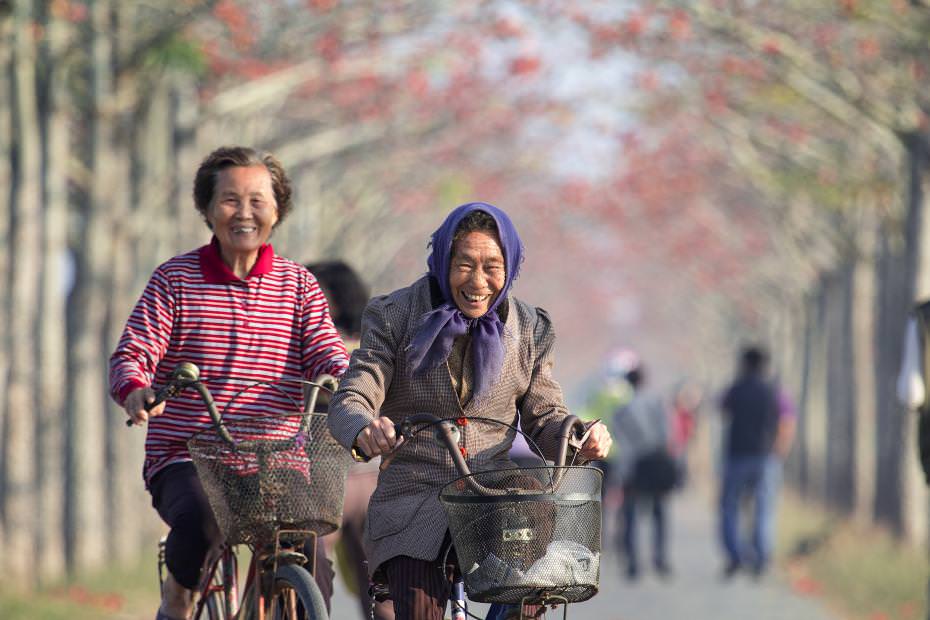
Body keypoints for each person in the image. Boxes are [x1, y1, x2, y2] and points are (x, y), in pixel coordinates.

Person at [326, 202, 613, 620]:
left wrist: (579, 438)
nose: (478, 281)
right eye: (464, 264)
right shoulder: (394, 315)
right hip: (413, 494)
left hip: (492, 495)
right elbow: (354, 394)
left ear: (510, 265)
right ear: (443, 261)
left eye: (491, 266)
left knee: (536, 576)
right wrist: (365, 429)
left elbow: (544, 414)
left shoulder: (530, 328)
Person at [109, 146, 350, 620]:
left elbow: (326, 350)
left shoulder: (299, 286)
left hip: (276, 454)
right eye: (230, 200)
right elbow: (134, 349)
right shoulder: (175, 280)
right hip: (188, 453)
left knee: (313, 557)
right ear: (206, 209)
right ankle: (178, 599)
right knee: (201, 520)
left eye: (258, 201)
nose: (244, 213)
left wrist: (347, 382)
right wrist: (136, 387)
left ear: (277, 210)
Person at [305, 260, 394, 620]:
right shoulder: (375, 343)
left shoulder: (325, 347)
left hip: (328, 478)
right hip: (374, 477)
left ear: (335, 300)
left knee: (312, 569)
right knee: (377, 585)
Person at [718, 345, 796, 579]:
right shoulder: (776, 392)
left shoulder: (734, 390)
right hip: (766, 457)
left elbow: (722, 409)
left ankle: (735, 555)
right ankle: (762, 557)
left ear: (744, 364)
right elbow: (787, 422)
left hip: (737, 456)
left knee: (730, 506)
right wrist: (780, 450)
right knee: (764, 509)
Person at [611, 364, 676, 580]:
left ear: (628, 383)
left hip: (634, 467)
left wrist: (622, 473)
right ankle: (660, 559)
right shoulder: (657, 403)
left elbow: (621, 445)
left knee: (630, 516)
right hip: (656, 464)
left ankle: (633, 564)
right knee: (659, 514)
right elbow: (668, 435)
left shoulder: (621, 410)